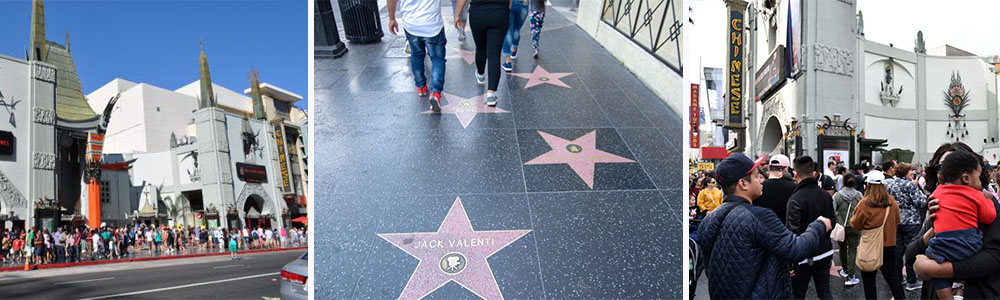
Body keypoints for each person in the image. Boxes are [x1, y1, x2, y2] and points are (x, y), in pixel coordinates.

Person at [697, 153, 832, 299]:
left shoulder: (708, 220)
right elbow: (796, 248)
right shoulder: (759, 216)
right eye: (757, 176)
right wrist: (819, 225)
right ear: (743, 183)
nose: (762, 180)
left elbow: (713, 269)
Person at [918, 150, 996, 300]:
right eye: (978, 177)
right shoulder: (976, 195)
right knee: (964, 258)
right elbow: (988, 217)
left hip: (942, 244)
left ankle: (946, 296)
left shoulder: (937, 193)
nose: (980, 182)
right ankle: (959, 288)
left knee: (934, 264)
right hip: (970, 245)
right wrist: (988, 200)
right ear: (966, 178)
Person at [786, 156, 837, 299]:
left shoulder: (795, 199)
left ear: (795, 174)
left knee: (798, 294)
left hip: (803, 256)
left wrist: (790, 263)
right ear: (814, 173)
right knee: (825, 292)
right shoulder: (825, 195)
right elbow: (832, 221)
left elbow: (792, 232)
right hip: (825, 251)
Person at [850, 171, 906, 300]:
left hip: (871, 246)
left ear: (868, 185)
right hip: (890, 245)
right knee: (892, 277)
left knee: (869, 280)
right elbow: (898, 220)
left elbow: (855, 224)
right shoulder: (892, 202)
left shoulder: (865, 204)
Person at [387, 0, 447, 111]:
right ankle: (435, 92)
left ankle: (421, 87)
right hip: (432, 24)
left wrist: (391, 18)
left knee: (416, 55)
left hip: (411, 25)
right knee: (437, 59)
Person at [454, 0, 510, 106]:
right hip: (500, 11)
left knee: (480, 47)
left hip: (478, 13)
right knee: (494, 53)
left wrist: (457, 14)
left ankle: (481, 74)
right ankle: (491, 94)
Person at [887, 162, 929, 291]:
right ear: (906, 172)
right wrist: (926, 197)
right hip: (911, 221)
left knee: (898, 250)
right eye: (910, 171)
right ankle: (912, 280)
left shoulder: (890, 184)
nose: (912, 173)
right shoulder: (910, 185)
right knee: (911, 250)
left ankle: (899, 278)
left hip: (896, 220)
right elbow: (920, 202)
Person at [834, 175, 863, 286]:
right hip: (854, 226)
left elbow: (833, 210)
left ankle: (845, 270)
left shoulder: (837, 196)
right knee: (852, 249)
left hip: (841, 226)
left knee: (842, 247)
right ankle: (851, 276)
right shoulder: (859, 195)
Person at [757, 154, 797, 225]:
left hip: (764, 228)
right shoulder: (794, 187)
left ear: (769, 168)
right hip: (786, 229)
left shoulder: (759, 187)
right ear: (785, 169)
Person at [501, 0, 529, 72]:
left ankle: (507, 62)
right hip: (523, 4)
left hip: (509, 3)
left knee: (508, 32)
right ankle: (514, 50)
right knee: (516, 30)